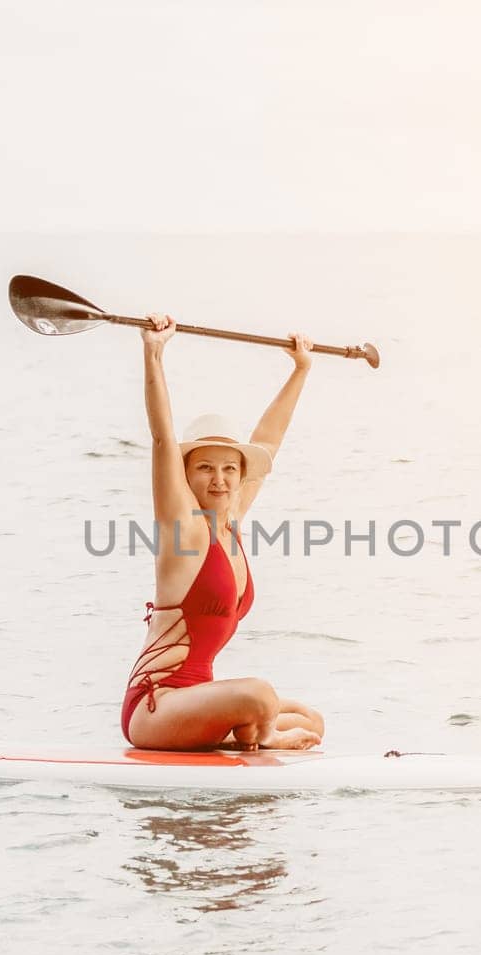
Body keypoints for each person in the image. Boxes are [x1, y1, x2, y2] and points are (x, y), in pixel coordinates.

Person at [120, 313, 326, 751]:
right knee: (259, 695)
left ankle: (248, 732)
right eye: (205, 468)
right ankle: (262, 736)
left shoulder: (230, 522)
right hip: (157, 706)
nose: (220, 479)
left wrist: (300, 369)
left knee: (312, 719)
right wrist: (153, 353)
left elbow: (268, 439)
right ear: (186, 475)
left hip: (195, 702)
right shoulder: (184, 530)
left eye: (230, 468)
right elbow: (161, 440)